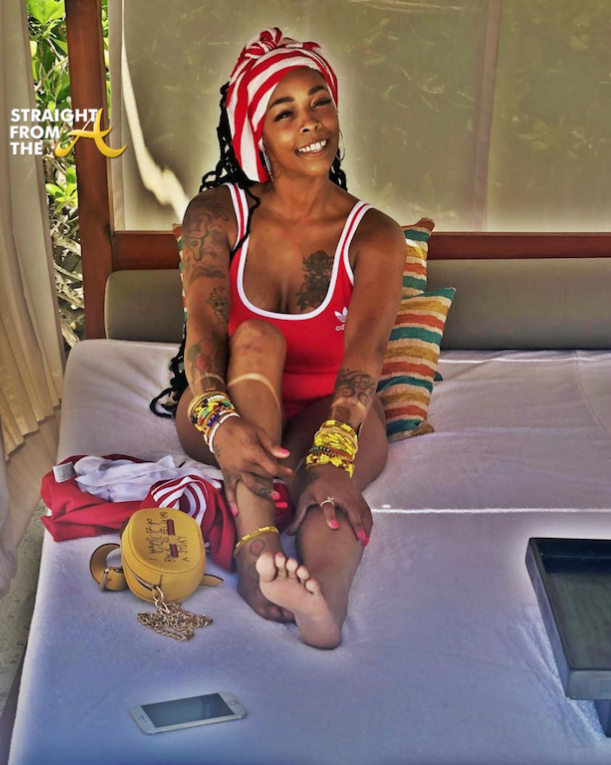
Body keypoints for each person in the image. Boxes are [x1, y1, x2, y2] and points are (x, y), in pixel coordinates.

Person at [150, 27, 406, 649]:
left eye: (320, 102)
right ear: (257, 134)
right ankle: (256, 548)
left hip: (332, 410)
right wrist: (220, 424)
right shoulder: (217, 214)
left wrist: (336, 457)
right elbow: (203, 332)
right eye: (284, 112)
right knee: (256, 336)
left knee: (329, 489)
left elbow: (365, 357)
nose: (310, 122)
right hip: (223, 405)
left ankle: (323, 607)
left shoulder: (375, 234)